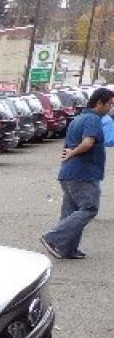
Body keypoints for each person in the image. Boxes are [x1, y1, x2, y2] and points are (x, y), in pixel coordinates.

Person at [41, 86, 114, 260]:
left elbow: (70, 143)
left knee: (70, 211)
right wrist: (74, 153)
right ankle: (52, 238)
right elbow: (88, 142)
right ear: (99, 103)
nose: (110, 107)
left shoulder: (78, 118)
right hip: (83, 173)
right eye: (109, 104)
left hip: (68, 173)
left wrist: (70, 154)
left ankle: (67, 249)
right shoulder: (93, 119)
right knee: (89, 208)